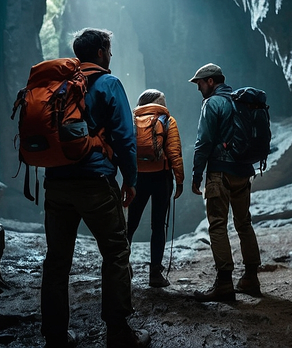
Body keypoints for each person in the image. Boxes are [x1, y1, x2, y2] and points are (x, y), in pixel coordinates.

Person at [40, 28, 150, 348]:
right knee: (115, 253)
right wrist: (130, 180)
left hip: (56, 183)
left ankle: (56, 337)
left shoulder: (59, 85)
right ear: (101, 52)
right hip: (96, 182)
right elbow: (125, 139)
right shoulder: (108, 83)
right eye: (110, 50)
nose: (111, 55)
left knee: (57, 260)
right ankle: (118, 333)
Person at [189, 63, 261, 302]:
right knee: (244, 223)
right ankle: (251, 278)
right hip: (243, 171)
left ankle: (224, 283)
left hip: (220, 172)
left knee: (217, 225)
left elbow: (204, 142)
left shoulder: (212, 103)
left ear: (211, 81)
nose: (198, 88)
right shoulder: (241, 101)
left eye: (200, 83)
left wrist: (196, 174)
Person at [127, 89, 184, 287]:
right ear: (156, 102)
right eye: (163, 100)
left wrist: (127, 178)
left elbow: (125, 148)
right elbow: (174, 153)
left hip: (138, 177)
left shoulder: (131, 119)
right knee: (158, 226)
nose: (165, 104)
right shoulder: (168, 121)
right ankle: (155, 274)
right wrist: (180, 180)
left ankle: (122, 265)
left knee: (130, 224)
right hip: (161, 177)